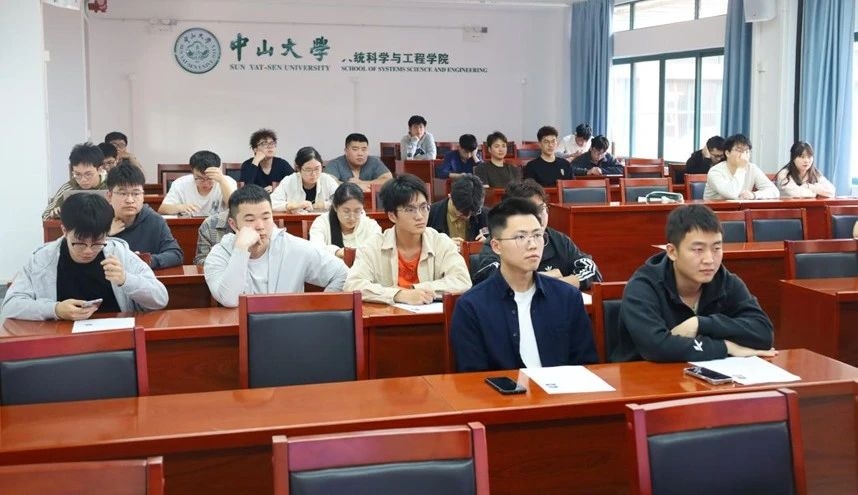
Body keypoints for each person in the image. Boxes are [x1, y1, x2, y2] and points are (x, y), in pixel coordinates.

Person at [612, 204, 776, 362]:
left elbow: (764, 334)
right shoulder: (643, 286)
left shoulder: (726, 281)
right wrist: (724, 347)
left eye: (716, 248)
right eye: (698, 250)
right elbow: (656, 347)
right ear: (672, 252)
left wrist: (700, 324)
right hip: (644, 376)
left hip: (706, 373)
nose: (709, 259)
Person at [450, 197, 598, 372]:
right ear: (496, 246)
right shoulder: (471, 306)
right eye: (520, 237)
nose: (533, 245)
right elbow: (472, 377)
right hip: (501, 390)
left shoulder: (568, 297)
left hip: (562, 389)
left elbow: (586, 365)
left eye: (537, 235)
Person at [2, 194, 168, 321]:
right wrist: (55, 310)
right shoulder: (42, 259)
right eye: (80, 243)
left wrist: (126, 280)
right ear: (64, 230)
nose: (88, 250)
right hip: (62, 339)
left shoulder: (119, 253)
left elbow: (160, 299)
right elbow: (11, 305)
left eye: (97, 242)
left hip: (114, 337)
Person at [204, 185, 348, 308]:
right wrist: (241, 249)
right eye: (250, 219)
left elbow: (342, 274)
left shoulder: (293, 246)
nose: (260, 226)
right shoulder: (219, 254)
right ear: (233, 224)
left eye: (266, 217)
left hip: (288, 327)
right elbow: (230, 299)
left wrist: (320, 310)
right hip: (239, 329)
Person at [344, 174, 472, 305]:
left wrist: (417, 289)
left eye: (424, 207)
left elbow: (462, 281)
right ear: (392, 216)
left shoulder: (441, 242)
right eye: (410, 210)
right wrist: (399, 294)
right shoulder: (373, 246)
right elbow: (353, 284)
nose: (420, 216)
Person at [473, 179, 601, 289]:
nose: (538, 216)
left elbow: (592, 271)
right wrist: (552, 276)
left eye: (541, 208)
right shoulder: (499, 242)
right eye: (530, 211)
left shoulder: (558, 240)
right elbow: (494, 280)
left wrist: (558, 284)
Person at [105, 164, 183, 269]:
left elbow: (175, 254)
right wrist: (105, 236)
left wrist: (146, 260)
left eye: (136, 193)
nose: (130, 200)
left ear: (143, 196)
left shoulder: (154, 220)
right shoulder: (99, 219)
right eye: (123, 193)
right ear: (109, 196)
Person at [309, 182, 382, 259]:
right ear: (335, 207)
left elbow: (376, 250)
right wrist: (336, 252)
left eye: (357, 211)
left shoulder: (371, 226)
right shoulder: (322, 223)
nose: (352, 217)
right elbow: (316, 250)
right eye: (346, 211)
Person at [158, 150, 237, 215]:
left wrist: (222, 181)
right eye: (200, 178)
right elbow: (162, 209)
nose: (205, 184)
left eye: (210, 178)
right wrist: (179, 207)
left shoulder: (227, 182)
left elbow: (235, 208)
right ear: (192, 172)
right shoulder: (180, 183)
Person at [42, 142, 108, 220]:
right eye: (77, 174)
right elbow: (45, 215)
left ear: (100, 169)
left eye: (88, 174)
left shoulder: (111, 186)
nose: (83, 180)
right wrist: (54, 215)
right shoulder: (68, 188)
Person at [703, 134, 779, 200]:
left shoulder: (752, 168)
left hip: (741, 210)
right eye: (739, 151)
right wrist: (741, 168)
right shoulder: (715, 171)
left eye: (747, 151)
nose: (744, 155)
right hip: (715, 210)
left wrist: (754, 195)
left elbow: (774, 191)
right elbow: (731, 194)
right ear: (727, 153)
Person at [271, 146, 339, 212]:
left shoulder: (327, 179)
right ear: (298, 168)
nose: (313, 174)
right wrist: (291, 206)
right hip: (296, 219)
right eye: (308, 170)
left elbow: (342, 200)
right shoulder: (289, 181)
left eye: (317, 168)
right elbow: (271, 203)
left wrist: (324, 205)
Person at [427, 174, 488, 247]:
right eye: (462, 213)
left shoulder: (486, 214)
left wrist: (487, 243)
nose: (468, 217)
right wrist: (443, 245)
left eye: (472, 213)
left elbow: (495, 240)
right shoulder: (430, 214)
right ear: (450, 196)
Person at [324, 133, 393, 191]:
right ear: (346, 151)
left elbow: (389, 181)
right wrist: (355, 186)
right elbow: (327, 183)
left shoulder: (374, 162)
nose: (360, 153)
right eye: (355, 149)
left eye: (364, 149)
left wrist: (363, 183)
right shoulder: (335, 164)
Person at [239, 128, 294, 192]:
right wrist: (255, 161)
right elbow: (246, 189)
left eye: (272, 143)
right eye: (264, 144)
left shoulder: (282, 164)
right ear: (255, 149)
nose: (270, 146)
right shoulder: (247, 165)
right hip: (256, 198)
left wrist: (275, 188)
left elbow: (295, 183)